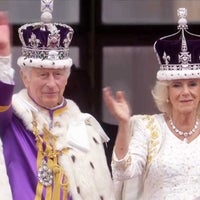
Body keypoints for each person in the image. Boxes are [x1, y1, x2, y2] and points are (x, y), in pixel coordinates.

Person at [0, 0, 115, 199]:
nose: (52, 83)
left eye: (58, 74)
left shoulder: (84, 126)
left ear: (67, 77)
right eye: (43, 75)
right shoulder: (12, 118)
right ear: (25, 77)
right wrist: (3, 61)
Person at [103, 8, 200, 200]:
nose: (185, 92)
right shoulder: (147, 128)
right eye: (177, 85)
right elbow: (124, 171)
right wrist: (123, 125)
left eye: (193, 84)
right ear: (167, 92)